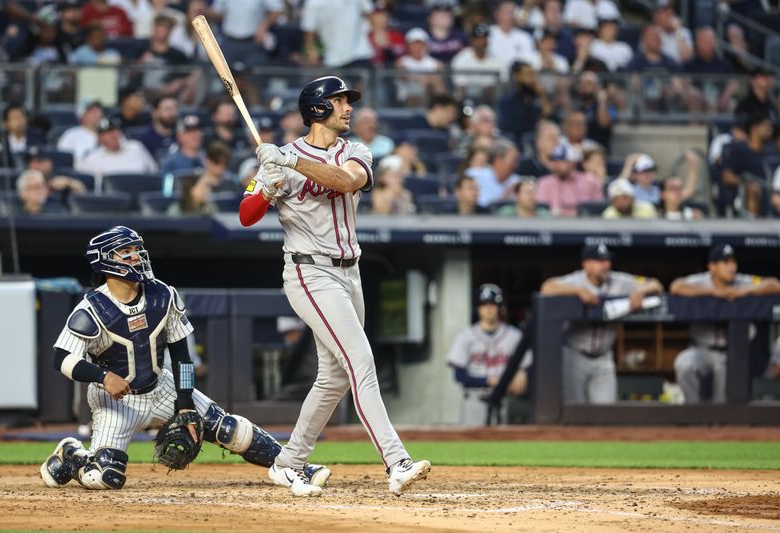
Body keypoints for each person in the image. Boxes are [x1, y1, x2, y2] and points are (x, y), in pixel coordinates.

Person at [239, 76, 431, 497]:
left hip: (350, 271)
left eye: (347, 101)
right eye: (340, 101)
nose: (348, 108)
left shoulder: (355, 151)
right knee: (360, 361)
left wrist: (289, 166)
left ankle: (288, 462)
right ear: (318, 109)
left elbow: (345, 182)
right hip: (310, 272)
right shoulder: (279, 157)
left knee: (333, 378)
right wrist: (267, 186)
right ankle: (396, 462)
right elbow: (246, 214)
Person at [39, 226, 331, 490]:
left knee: (228, 428)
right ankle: (72, 454)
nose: (135, 257)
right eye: (126, 252)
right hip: (116, 401)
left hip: (160, 385)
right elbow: (61, 358)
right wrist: (103, 377)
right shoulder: (92, 308)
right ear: (105, 261)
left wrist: (185, 403)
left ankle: (294, 466)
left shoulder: (163, 295)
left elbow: (182, 356)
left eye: (136, 250)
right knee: (105, 477)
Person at [540, 243, 664, 404]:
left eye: (607, 260)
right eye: (600, 261)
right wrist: (576, 291)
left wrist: (640, 291)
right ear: (586, 264)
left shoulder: (619, 280)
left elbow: (655, 284)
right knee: (573, 409)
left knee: (605, 411)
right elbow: (547, 287)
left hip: (604, 357)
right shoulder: (576, 280)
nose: (606, 265)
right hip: (575, 355)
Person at [670, 244, 780, 404]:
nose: (732, 267)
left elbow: (774, 284)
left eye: (733, 262)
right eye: (725, 262)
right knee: (684, 364)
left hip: (731, 356)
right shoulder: (701, 280)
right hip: (702, 350)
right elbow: (676, 286)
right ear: (712, 266)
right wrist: (713, 293)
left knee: (723, 406)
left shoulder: (741, 280)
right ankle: (692, 411)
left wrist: (746, 290)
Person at [447, 283, 531, 426]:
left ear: (499, 307)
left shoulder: (514, 335)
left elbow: (529, 365)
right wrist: (487, 381)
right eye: (484, 304)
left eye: (492, 304)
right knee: (470, 446)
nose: (488, 309)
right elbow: (458, 376)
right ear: (478, 308)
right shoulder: (465, 336)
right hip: (475, 400)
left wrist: (524, 373)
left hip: (506, 399)